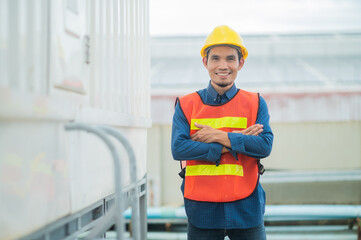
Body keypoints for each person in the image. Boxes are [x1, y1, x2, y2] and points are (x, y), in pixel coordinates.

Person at [171, 25, 274, 240]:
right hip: (203, 211)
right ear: (205, 62)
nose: (223, 65)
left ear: (240, 63)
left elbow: (264, 146)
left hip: (247, 209)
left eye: (230, 58)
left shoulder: (255, 102)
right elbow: (179, 148)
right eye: (216, 58)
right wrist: (238, 141)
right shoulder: (187, 104)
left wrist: (218, 136)